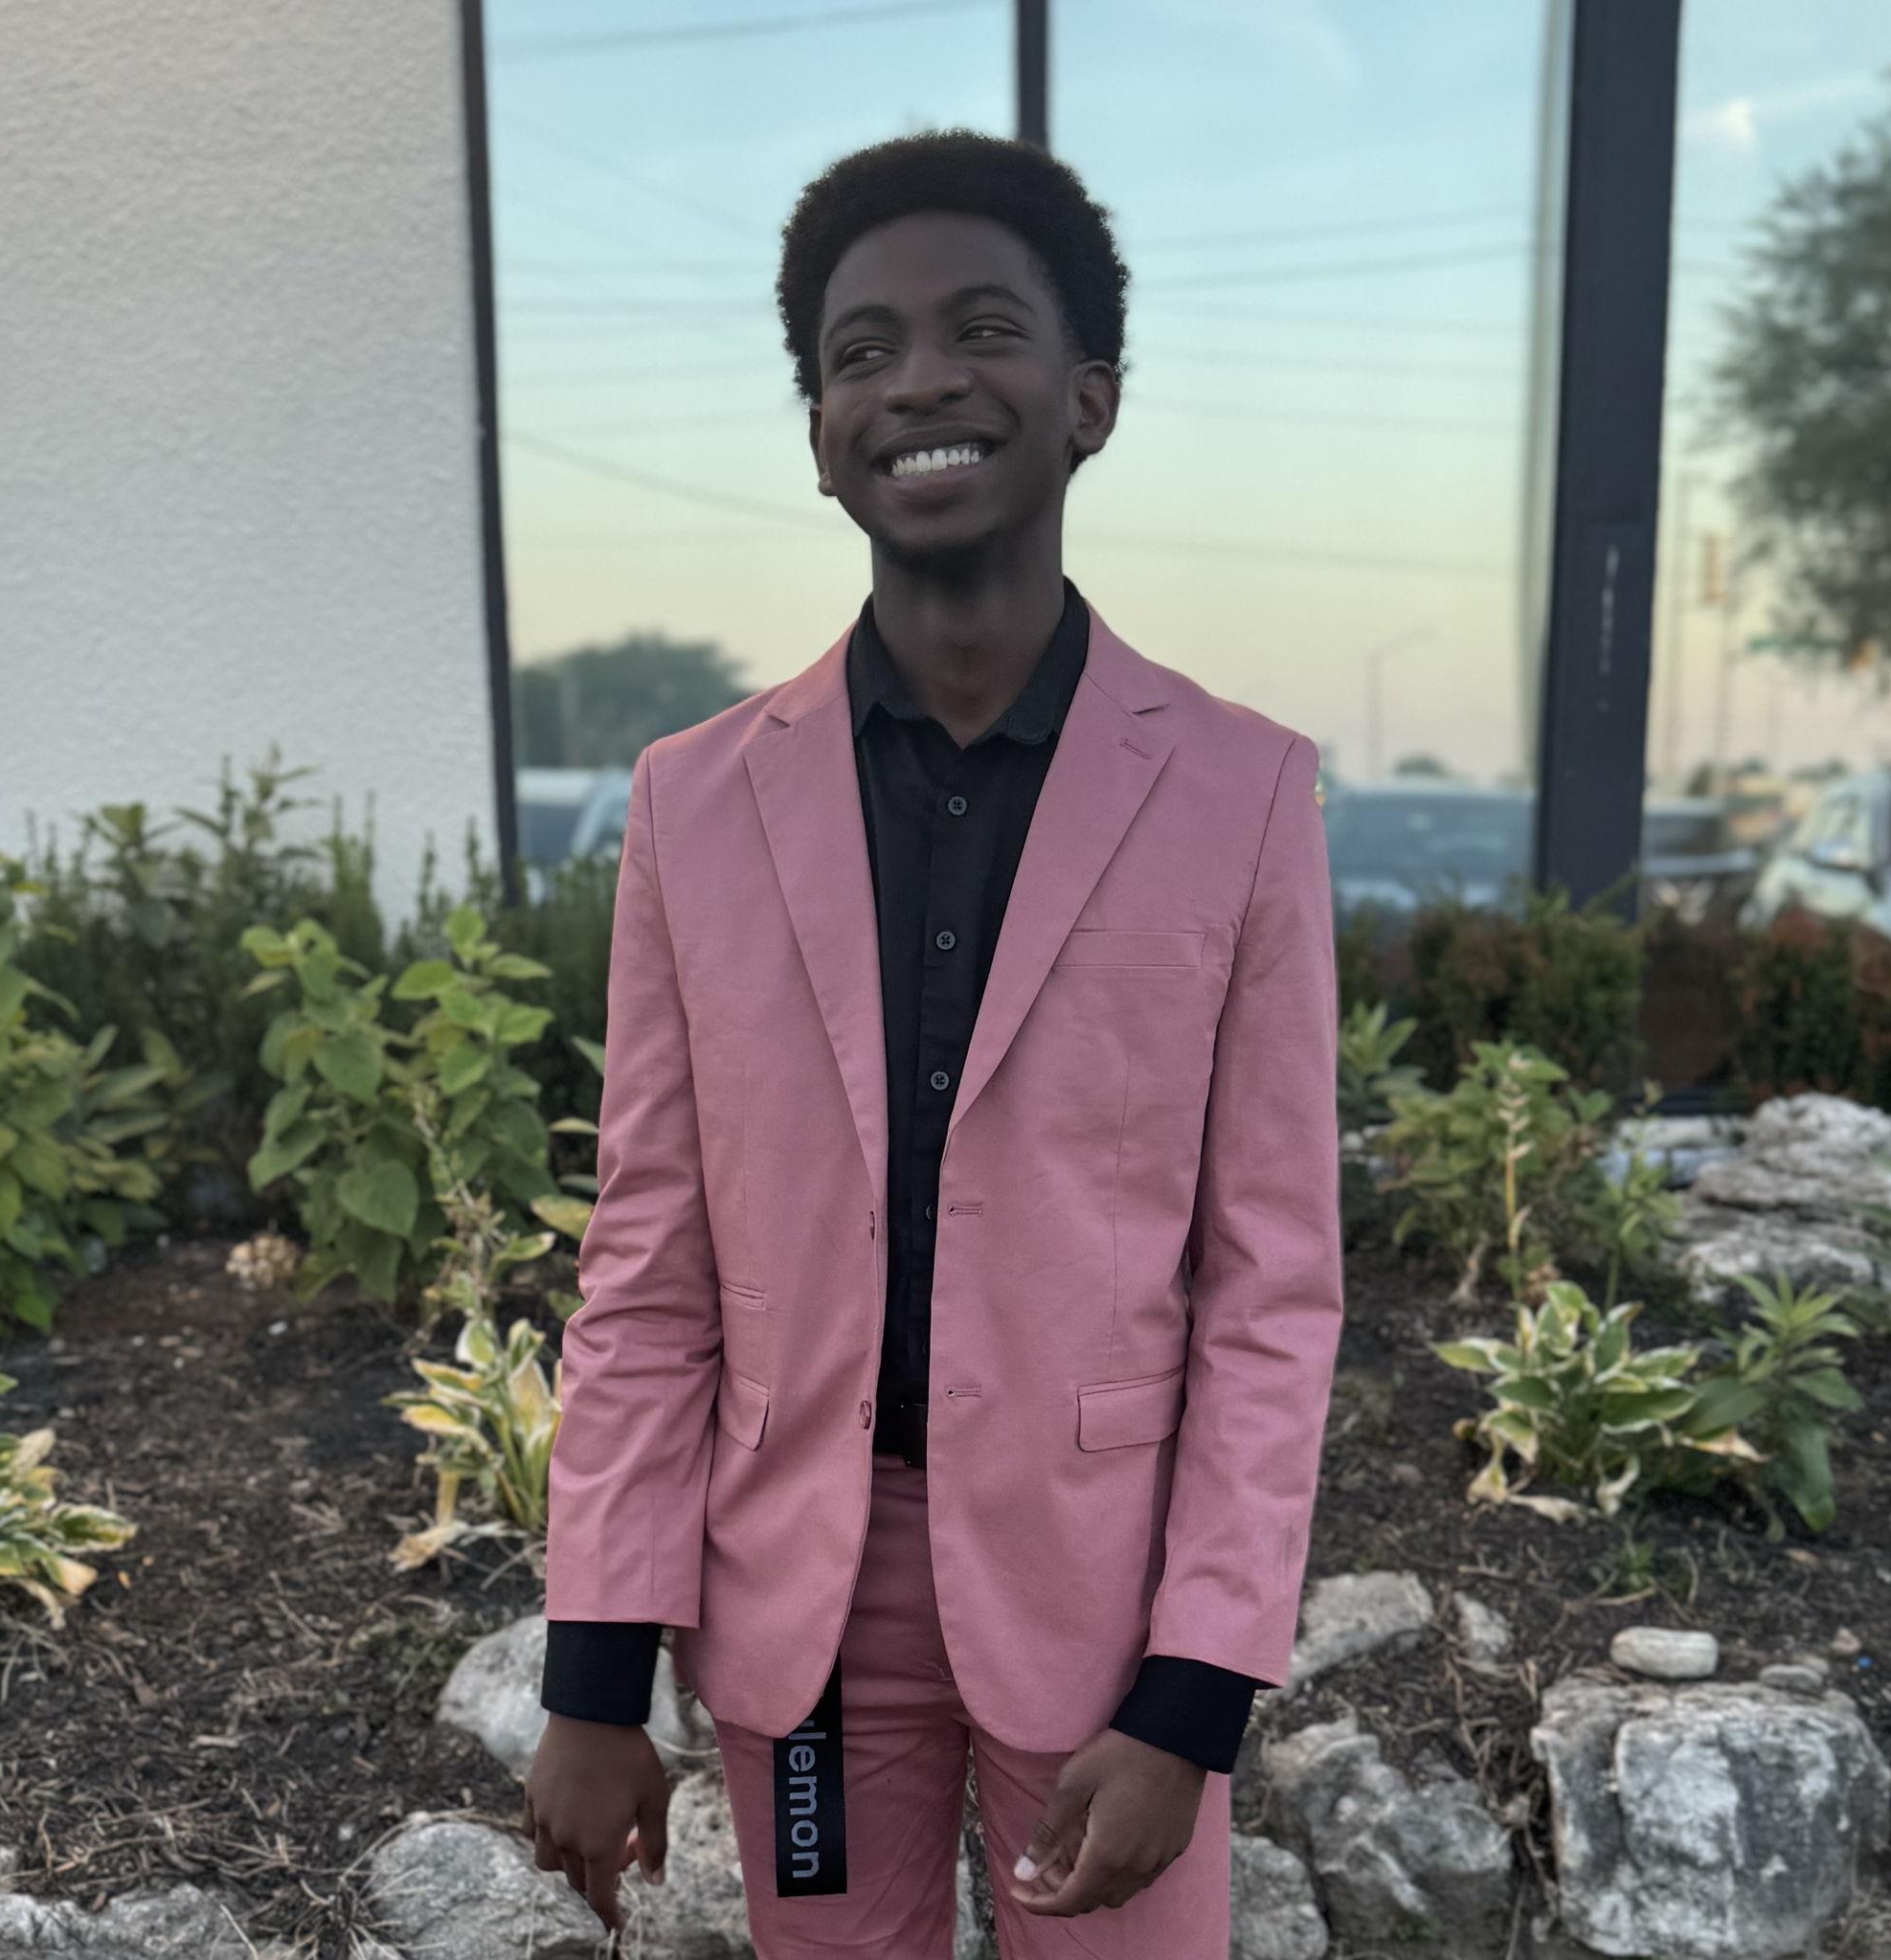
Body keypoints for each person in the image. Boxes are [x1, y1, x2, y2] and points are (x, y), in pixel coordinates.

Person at [522, 127, 1344, 1957]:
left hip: (1107, 1606)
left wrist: (1198, 1691)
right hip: (805, 1613)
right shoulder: (694, 803)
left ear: (1090, 397)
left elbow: (1273, 1285)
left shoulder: (1242, 793)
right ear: (819, 432)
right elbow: (648, 1260)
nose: (917, 383)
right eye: (860, 352)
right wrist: (594, 1673)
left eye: (981, 330)